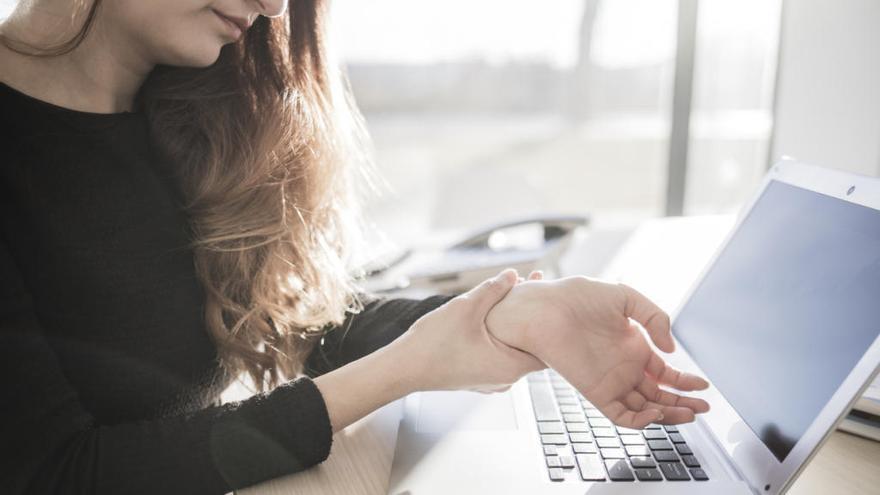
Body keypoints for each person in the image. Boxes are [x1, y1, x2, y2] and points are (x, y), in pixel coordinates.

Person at [0, 0, 711, 493]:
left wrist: (508, 314)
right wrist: (404, 369)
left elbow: (296, 320)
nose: (276, 9)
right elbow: (56, 477)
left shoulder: (192, 114)